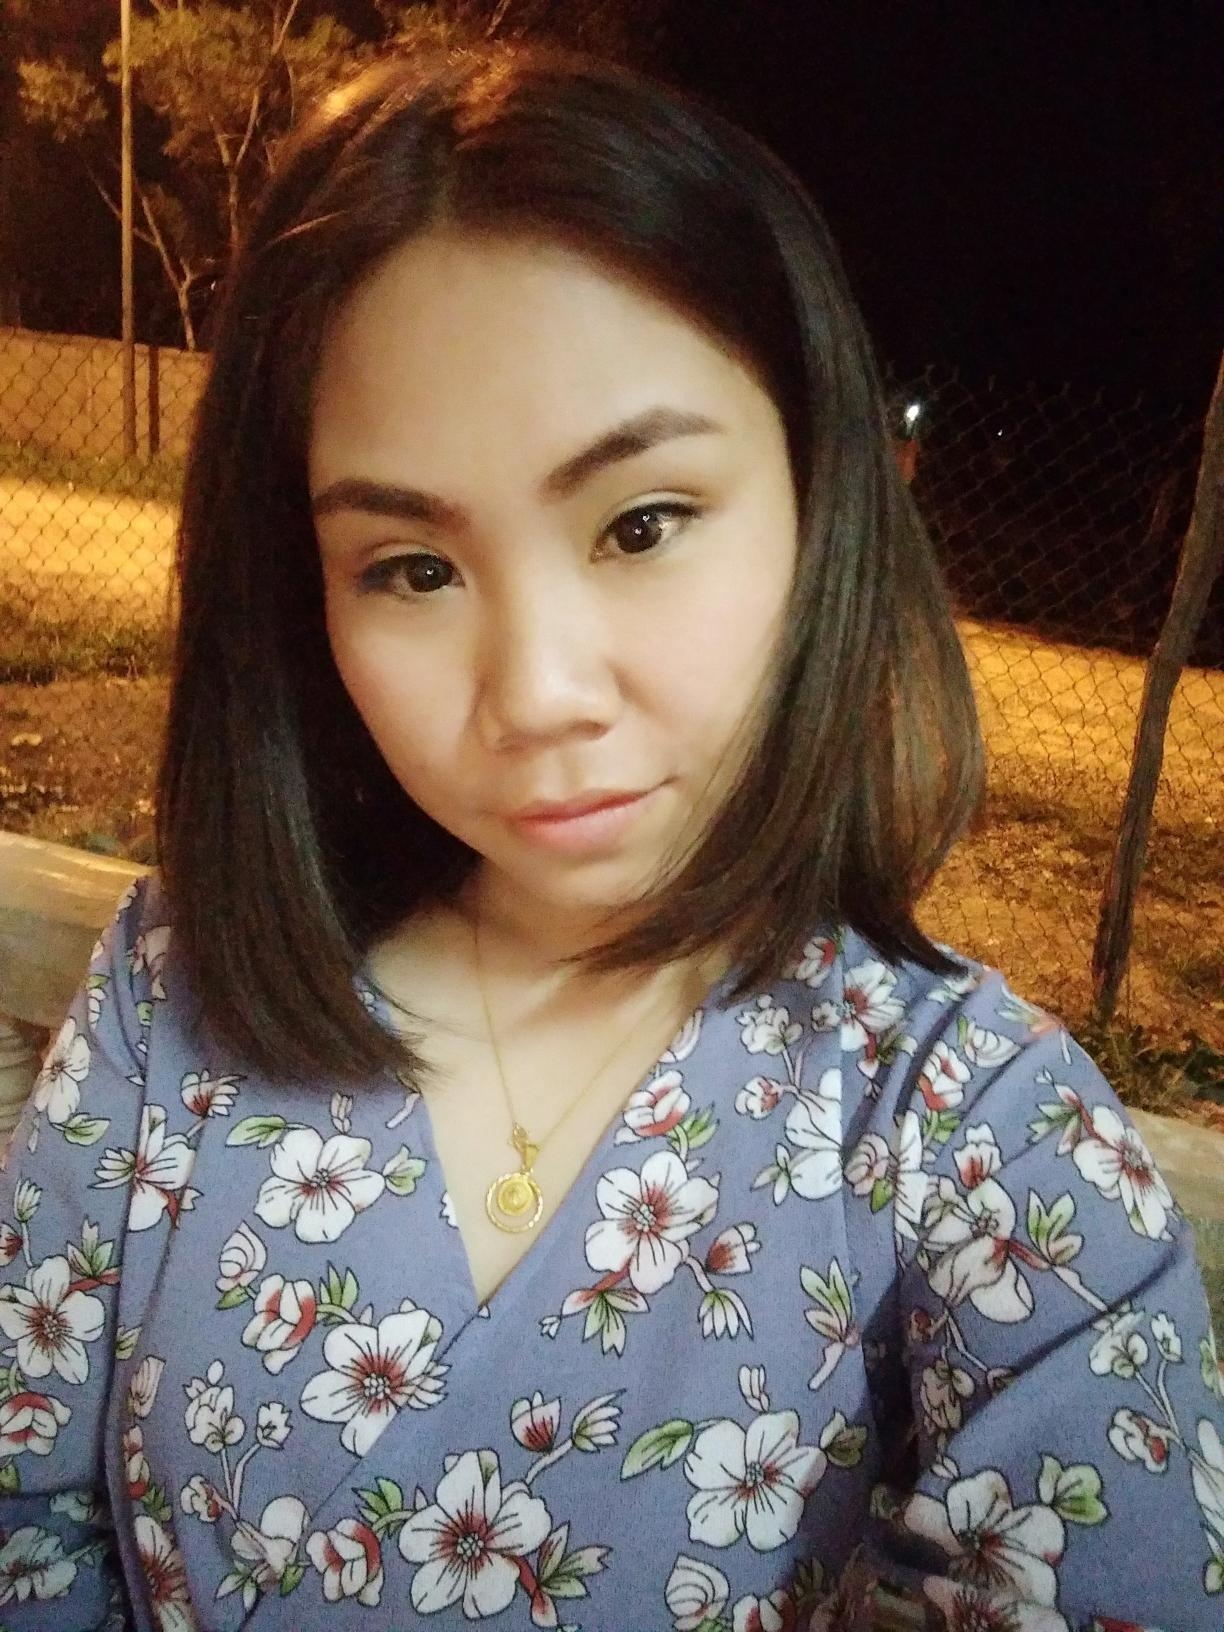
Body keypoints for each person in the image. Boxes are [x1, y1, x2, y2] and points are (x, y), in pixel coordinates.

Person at [0, 40, 1219, 1632]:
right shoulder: (175, 992)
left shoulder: (975, 1139)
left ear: (822, 501)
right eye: (412, 570)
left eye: (641, 524)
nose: (538, 694)